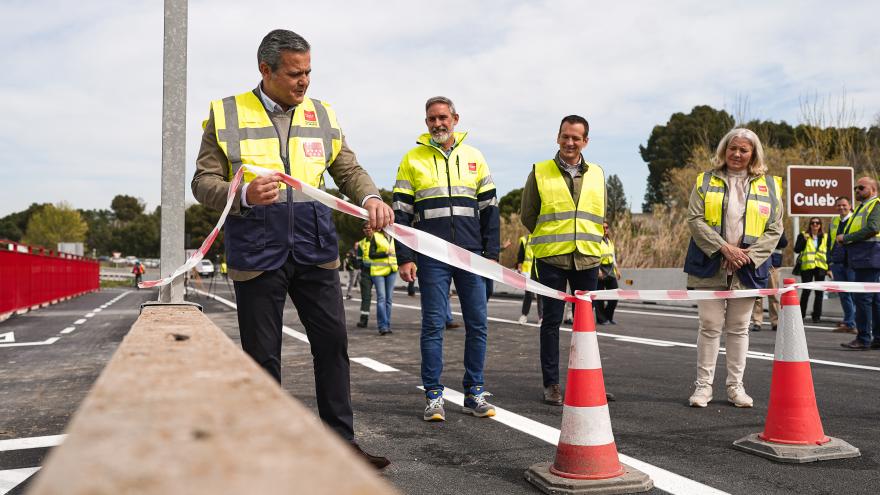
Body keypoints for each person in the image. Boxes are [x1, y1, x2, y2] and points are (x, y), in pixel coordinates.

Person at [190, 29, 391, 468]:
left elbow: (348, 169)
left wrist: (371, 198)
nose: (304, 82)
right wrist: (240, 193)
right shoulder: (225, 113)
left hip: (316, 247)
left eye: (309, 73)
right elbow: (202, 183)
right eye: (295, 74)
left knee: (333, 344)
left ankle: (341, 443)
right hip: (256, 249)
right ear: (266, 70)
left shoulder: (322, 113)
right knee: (262, 356)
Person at [393, 96, 500, 422]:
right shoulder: (412, 159)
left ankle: (475, 392)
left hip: (471, 256)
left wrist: (491, 255)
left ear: (455, 118)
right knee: (433, 325)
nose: (437, 123)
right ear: (426, 123)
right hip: (431, 257)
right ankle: (434, 395)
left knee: (478, 324)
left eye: (443, 117)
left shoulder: (475, 157)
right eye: (431, 119)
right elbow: (400, 213)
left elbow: (490, 211)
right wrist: (406, 257)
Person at [684, 128, 782, 408]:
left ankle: (735, 388)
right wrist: (724, 248)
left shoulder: (771, 185)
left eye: (744, 150)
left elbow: (775, 228)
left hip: (748, 267)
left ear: (753, 154)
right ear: (724, 150)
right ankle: (703, 388)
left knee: (740, 328)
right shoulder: (705, 180)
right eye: (732, 148)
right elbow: (695, 219)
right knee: (710, 326)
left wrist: (746, 256)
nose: (737, 154)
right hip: (710, 263)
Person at [520, 115, 608, 406]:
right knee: (551, 323)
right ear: (558, 137)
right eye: (565, 136)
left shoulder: (597, 173)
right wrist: (553, 236)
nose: (570, 142)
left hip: (587, 258)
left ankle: (588, 382)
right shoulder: (540, 171)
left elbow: (600, 213)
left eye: (576, 138)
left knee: (586, 325)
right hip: (551, 259)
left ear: (585, 141)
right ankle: (552, 385)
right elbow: (528, 215)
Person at [838, 177, 880, 350]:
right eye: (856, 188)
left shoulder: (875, 205)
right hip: (864, 258)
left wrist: (846, 238)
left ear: (873, 189)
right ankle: (877, 338)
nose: (857, 191)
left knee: (862, 298)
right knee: (875, 300)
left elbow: (873, 228)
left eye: (861, 187)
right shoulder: (863, 207)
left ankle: (863, 338)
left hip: (869, 258)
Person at [828, 196, 856, 333]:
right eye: (839, 205)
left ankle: (854, 323)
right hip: (837, 263)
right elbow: (830, 242)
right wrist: (829, 262)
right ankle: (849, 322)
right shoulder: (834, 220)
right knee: (844, 295)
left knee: (854, 294)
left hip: (852, 263)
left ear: (850, 205)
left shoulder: (855, 219)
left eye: (844, 205)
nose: (841, 208)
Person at [749, 233, 787, 332]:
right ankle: (757, 321)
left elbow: (784, 243)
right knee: (758, 295)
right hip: (758, 263)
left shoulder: (777, 226)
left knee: (773, 293)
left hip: (772, 265)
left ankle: (775, 321)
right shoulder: (758, 224)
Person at [794, 217, 827, 323]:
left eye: (817, 223)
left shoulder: (825, 236)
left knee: (819, 293)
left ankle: (816, 316)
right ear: (810, 225)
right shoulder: (803, 235)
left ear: (820, 225)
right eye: (813, 223)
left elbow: (829, 253)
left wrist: (829, 268)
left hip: (821, 266)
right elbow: (797, 249)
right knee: (806, 291)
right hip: (807, 267)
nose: (815, 225)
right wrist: (804, 240)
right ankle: (801, 314)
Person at [367, 228, 398, 335]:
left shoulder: (395, 236)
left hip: (392, 270)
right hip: (378, 271)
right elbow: (371, 254)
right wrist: (385, 253)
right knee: (382, 298)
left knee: (389, 300)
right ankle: (382, 326)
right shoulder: (375, 236)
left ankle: (387, 325)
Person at [596, 222, 621, 325]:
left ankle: (608, 317)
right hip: (600, 270)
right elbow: (595, 256)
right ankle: (601, 319)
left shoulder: (610, 242)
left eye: (607, 227)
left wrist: (617, 269)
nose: (605, 229)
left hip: (610, 270)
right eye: (603, 227)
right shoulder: (597, 242)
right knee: (599, 298)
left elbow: (613, 257)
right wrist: (598, 270)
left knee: (615, 296)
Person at [517, 235, 543, 325]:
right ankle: (524, 315)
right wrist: (519, 268)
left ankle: (541, 317)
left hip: (538, 270)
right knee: (528, 294)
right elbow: (520, 256)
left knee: (540, 295)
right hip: (528, 271)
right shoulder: (525, 240)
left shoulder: (543, 237)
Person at [355, 231, 374, 328]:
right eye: (366, 228)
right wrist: (361, 265)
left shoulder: (380, 239)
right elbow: (358, 259)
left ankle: (384, 324)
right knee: (366, 296)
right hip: (366, 272)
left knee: (384, 298)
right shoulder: (361, 243)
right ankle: (364, 319)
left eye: (370, 228)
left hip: (381, 271)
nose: (368, 230)